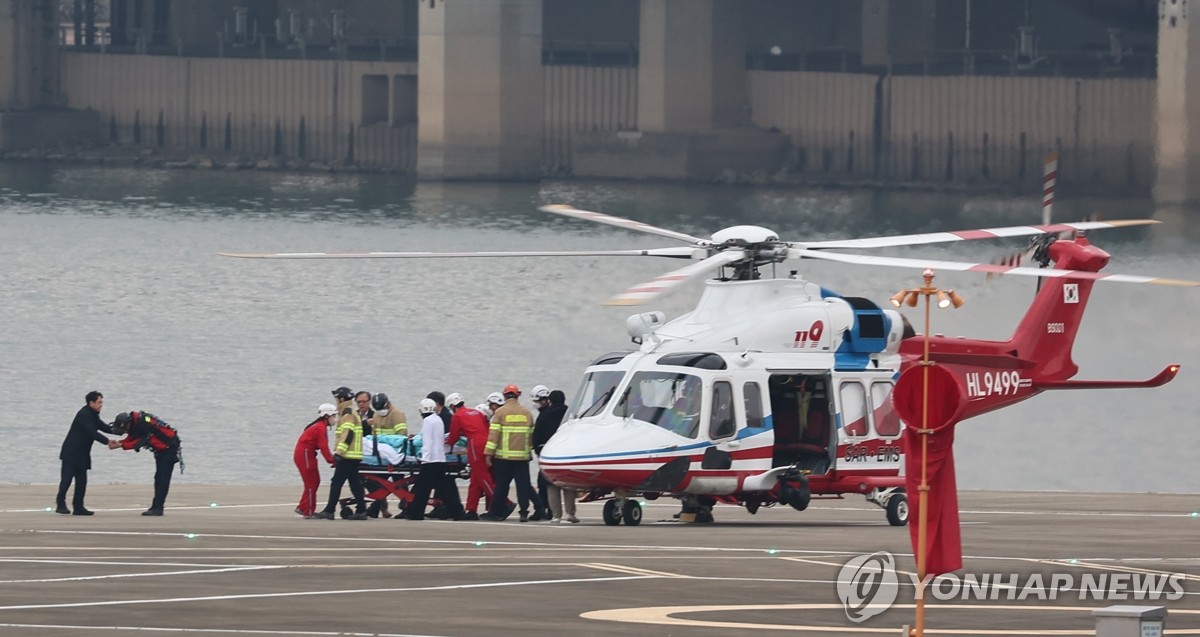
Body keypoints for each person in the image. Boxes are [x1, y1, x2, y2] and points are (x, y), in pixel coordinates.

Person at [482, 384, 545, 522]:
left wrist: (488, 454)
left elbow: (493, 437)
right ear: (518, 395)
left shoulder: (500, 413)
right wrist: (528, 452)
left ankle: (495, 513)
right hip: (522, 457)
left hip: (503, 457)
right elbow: (530, 437)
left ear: (504, 396)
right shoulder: (526, 413)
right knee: (523, 486)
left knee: (501, 487)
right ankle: (524, 513)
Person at [446, 392, 511, 521]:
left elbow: (453, 437)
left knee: (484, 479)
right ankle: (471, 510)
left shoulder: (457, 416)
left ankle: (504, 503)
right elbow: (486, 428)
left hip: (475, 446)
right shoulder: (475, 412)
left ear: (453, 406)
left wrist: (446, 443)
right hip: (486, 444)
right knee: (475, 480)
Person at [109, 410, 182, 516]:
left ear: (127, 424)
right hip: (162, 450)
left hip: (169, 449)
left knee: (162, 479)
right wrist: (120, 443)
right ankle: (156, 506)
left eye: (124, 430)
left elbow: (141, 441)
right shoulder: (139, 421)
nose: (125, 432)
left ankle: (158, 508)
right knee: (158, 478)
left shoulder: (143, 423)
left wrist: (121, 445)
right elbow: (133, 437)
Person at [311, 387, 368, 520]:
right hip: (354, 455)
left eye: (337, 398)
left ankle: (330, 510)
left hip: (348, 455)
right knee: (355, 483)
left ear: (341, 399)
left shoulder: (347, 413)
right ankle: (361, 510)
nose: (336, 401)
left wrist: (339, 452)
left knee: (336, 482)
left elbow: (347, 435)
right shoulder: (351, 412)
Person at [400, 399, 459, 521]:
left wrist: (424, 459)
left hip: (430, 461)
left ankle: (416, 513)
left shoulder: (427, 421)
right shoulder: (438, 419)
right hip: (440, 459)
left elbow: (427, 443)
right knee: (445, 489)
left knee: (422, 489)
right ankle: (457, 511)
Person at [56, 390, 113, 515]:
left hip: (82, 454)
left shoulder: (93, 415)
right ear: (91, 403)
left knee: (82, 481)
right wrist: (107, 442)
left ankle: (78, 507)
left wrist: (121, 430)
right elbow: (91, 432)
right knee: (66, 480)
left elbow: (104, 427)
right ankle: (60, 503)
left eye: (101, 402)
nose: (101, 405)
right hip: (71, 453)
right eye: (99, 402)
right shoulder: (84, 414)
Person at [533, 388, 578, 524]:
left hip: (550, 454)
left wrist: (539, 452)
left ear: (550, 401)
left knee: (552, 486)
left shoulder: (544, 415)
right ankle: (570, 513)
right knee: (569, 485)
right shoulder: (571, 415)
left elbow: (536, 437)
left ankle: (556, 515)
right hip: (569, 453)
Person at [294, 403, 337, 518]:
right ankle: (307, 511)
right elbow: (323, 447)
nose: (335, 418)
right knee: (311, 483)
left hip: (305, 455)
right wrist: (332, 461)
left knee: (313, 482)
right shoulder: (320, 428)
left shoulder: (318, 426)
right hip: (306, 455)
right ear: (327, 416)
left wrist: (331, 459)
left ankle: (303, 507)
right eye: (333, 415)